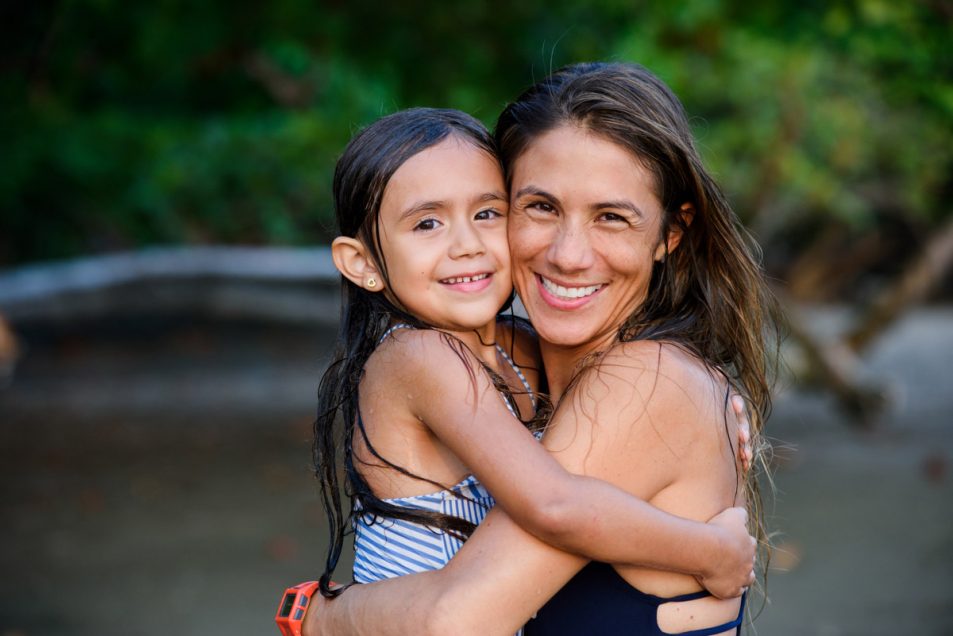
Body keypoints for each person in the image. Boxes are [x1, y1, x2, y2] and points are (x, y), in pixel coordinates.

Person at [303, 61, 775, 635]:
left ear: (669, 235)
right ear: (364, 262)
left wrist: (318, 616)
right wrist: (709, 547)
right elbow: (556, 503)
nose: (569, 254)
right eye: (542, 207)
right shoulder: (446, 357)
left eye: (611, 217)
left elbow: (457, 618)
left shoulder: (637, 379)